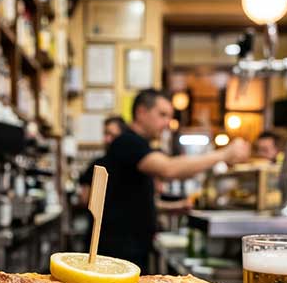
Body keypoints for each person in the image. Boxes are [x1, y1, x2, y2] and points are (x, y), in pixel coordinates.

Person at [98, 89, 249, 271]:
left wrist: (173, 207)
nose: (167, 123)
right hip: (119, 249)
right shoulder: (128, 142)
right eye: (162, 115)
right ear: (141, 112)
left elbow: (131, 200)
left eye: (169, 116)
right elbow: (169, 169)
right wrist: (223, 154)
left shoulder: (138, 144)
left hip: (131, 246)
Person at [78, 115, 127, 205]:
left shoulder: (131, 164)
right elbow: (84, 198)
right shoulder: (97, 165)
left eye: (112, 135)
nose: (107, 139)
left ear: (123, 137)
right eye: (105, 134)